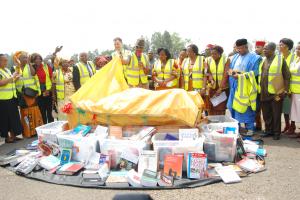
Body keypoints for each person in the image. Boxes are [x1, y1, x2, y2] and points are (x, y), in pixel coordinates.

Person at [227, 39, 262, 135]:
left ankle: (250, 129)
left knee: (247, 108)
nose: (238, 50)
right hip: (234, 86)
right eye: (237, 48)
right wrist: (231, 73)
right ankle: (237, 127)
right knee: (233, 107)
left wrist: (241, 76)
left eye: (240, 48)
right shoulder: (235, 57)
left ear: (246, 47)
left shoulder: (255, 58)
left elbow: (256, 72)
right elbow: (230, 69)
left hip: (246, 87)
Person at [258, 42, 291, 140]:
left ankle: (276, 133)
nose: (264, 50)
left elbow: (287, 76)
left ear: (273, 50)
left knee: (276, 113)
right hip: (264, 91)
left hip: (276, 92)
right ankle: (268, 130)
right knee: (266, 113)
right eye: (263, 49)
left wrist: (285, 90)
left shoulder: (280, 59)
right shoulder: (263, 60)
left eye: (266, 49)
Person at [13, 52, 43, 138]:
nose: (25, 59)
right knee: (25, 112)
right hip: (21, 94)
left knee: (34, 111)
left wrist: (29, 63)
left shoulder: (30, 66)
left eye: (26, 58)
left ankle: (35, 131)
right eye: (23, 58)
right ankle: (28, 132)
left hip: (31, 93)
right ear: (19, 59)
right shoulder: (15, 68)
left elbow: (33, 74)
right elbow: (12, 80)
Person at [0, 54, 23, 143]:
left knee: (14, 117)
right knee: (5, 118)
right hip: (3, 99)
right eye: (3, 60)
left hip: (12, 97)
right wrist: (12, 77)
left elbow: (12, 79)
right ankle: (7, 136)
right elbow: (1, 83)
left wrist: (18, 66)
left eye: (6, 60)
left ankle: (15, 134)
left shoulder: (6, 70)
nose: (6, 62)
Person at [203, 45, 230, 115]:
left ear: (220, 54)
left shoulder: (226, 60)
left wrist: (220, 88)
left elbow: (225, 75)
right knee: (211, 107)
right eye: (211, 53)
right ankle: (212, 124)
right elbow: (206, 72)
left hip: (223, 88)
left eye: (215, 54)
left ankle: (220, 124)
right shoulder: (207, 60)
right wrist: (211, 77)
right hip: (212, 88)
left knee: (221, 108)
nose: (212, 55)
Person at [279, 38, 296, 135]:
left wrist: (288, 89)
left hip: (290, 87)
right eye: (279, 44)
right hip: (280, 86)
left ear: (288, 47)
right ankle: (287, 124)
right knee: (284, 108)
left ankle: (292, 126)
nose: (279, 46)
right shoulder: (279, 57)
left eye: (282, 45)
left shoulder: (294, 58)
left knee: (291, 108)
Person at [32, 53, 54, 124]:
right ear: (33, 60)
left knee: (49, 111)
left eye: (39, 58)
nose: (38, 60)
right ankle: (44, 127)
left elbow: (51, 78)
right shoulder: (32, 68)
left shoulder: (45, 66)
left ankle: (52, 127)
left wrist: (49, 90)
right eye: (36, 59)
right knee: (42, 112)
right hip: (39, 92)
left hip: (48, 90)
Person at [288, 42, 300, 140]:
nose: (297, 51)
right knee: (296, 112)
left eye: (299, 49)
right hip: (294, 91)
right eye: (296, 49)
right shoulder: (296, 60)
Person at [254, 40, 265, 131]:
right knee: (256, 107)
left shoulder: (265, 58)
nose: (256, 49)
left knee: (262, 108)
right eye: (256, 47)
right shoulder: (254, 57)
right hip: (256, 86)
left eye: (258, 47)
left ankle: (262, 125)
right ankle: (258, 125)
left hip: (264, 86)